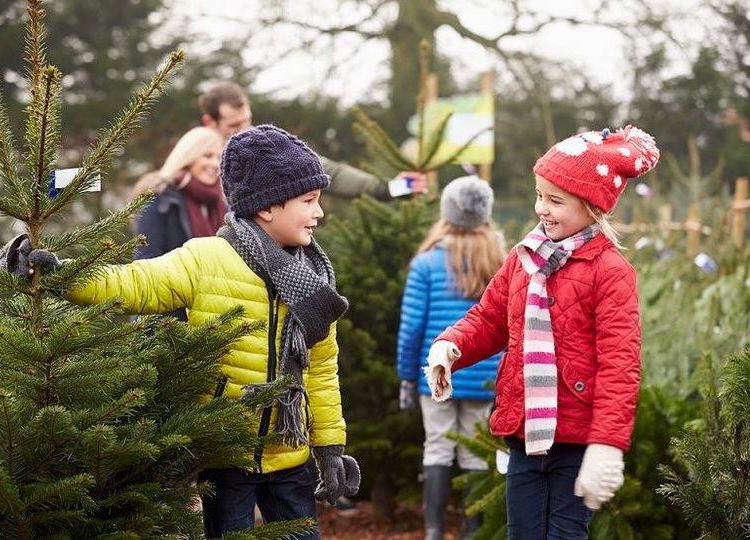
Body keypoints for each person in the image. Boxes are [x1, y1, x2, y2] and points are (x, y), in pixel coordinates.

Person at [0, 125, 361, 539]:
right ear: (267, 207)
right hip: (225, 457)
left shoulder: (315, 281)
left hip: (290, 455)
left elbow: (320, 371)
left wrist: (330, 449)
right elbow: (133, 283)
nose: (319, 213)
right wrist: (63, 275)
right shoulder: (207, 258)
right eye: (309, 201)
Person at [426, 126, 660, 539]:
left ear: (592, 207)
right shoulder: (523, 259)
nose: (542, 209)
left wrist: (607, 444)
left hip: (576, 438)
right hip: (524, 433)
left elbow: (619, 364)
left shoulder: (611, 272)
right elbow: (490, 317)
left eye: (555, 200)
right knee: (524, 532)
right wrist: (452, 344)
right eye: (539, 195)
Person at [397, 175, 506, 540]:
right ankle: (472, 532)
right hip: (484, 374)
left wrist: (408, 377)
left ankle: (433, 532)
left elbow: (412, 327)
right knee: (475, 454)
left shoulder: (427, 263)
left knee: (438, 447)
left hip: (437, 371)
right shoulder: (499, 260)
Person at [199, 81, 427, 200]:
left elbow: (330, 173)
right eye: (234, 127)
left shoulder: (268, 151)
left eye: (247, 121)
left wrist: (392, 188)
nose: (244, 131)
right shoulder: (196, 162)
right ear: (210, 122)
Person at [131, 126, 226, 320]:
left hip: (209, 322)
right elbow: (146, 262)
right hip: (162, 322)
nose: (215, 164)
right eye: (207, 156)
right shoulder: (160, 198)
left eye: (219, 158)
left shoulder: (222, 206)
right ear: (189, 156)